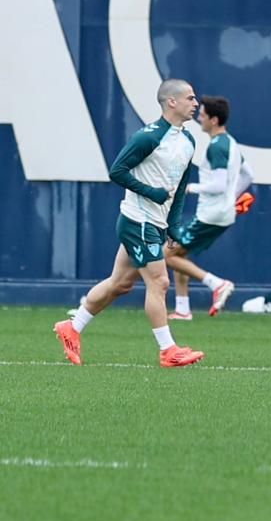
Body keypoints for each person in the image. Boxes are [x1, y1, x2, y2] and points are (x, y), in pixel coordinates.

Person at [54, 79, 204, 368]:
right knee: (159, 282)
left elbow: (180, 186)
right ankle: (168, 350)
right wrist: (151, 193)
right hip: (139, 221)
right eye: (190, 98)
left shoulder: (187, 141)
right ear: (171, 102)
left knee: (119, 284)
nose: (195, 103)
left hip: (155, 223)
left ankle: (71, 327)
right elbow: (117, 171)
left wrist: (173, 224)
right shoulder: (147, 137)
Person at [164, 95, 255, 319]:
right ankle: (183, 309)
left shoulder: (217, 146)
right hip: (220, 212)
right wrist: (232, 198)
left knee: (168, 255)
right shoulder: (230, 143)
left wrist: (188, 188)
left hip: (211, 214)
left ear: (214, 120)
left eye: (203, 115)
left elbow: (218, 185)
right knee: (178, 253)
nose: (199, 118)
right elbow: (248, 175)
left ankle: (217, 284)